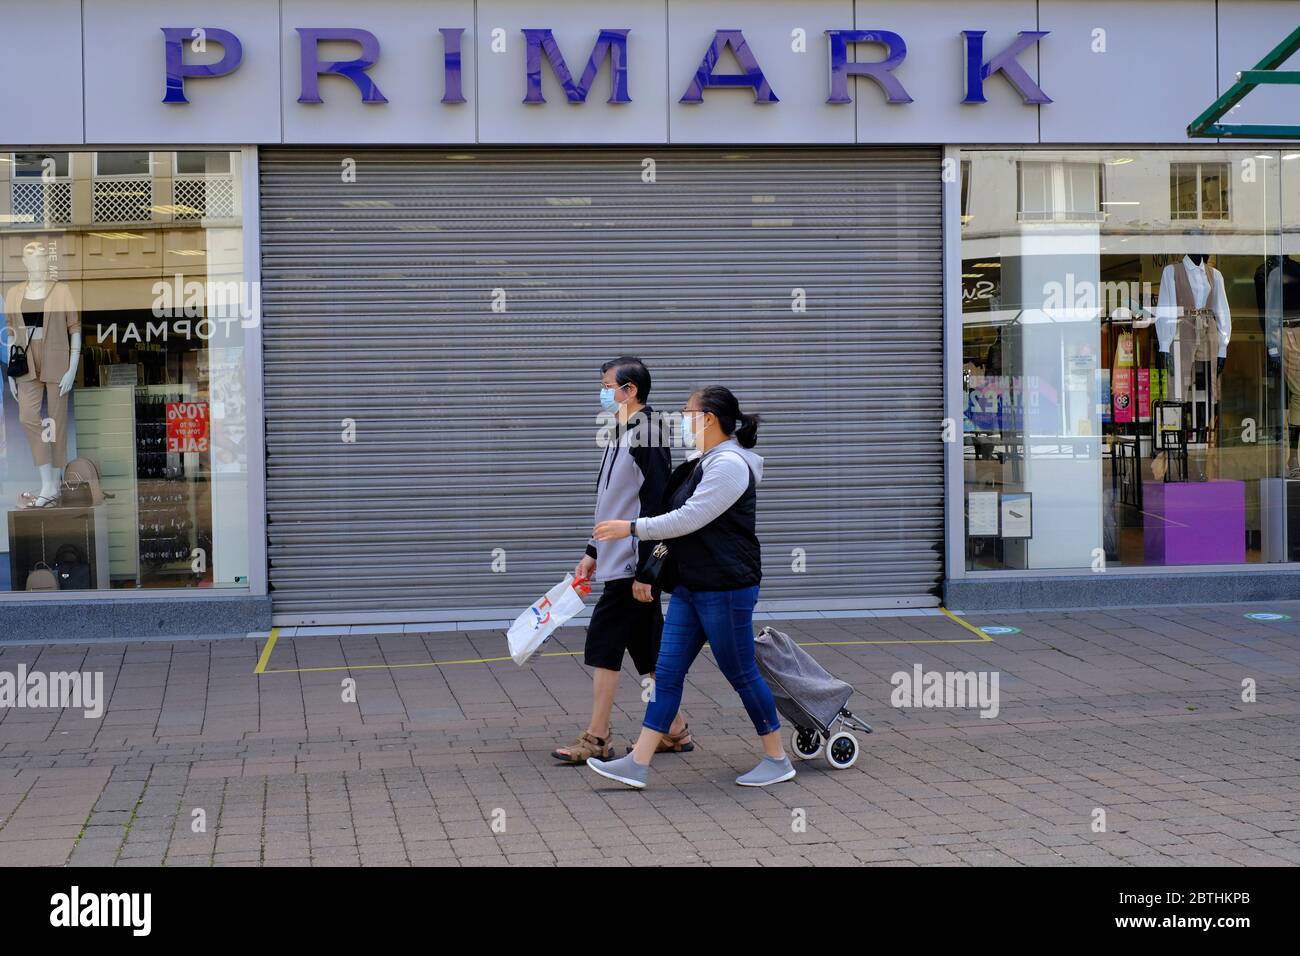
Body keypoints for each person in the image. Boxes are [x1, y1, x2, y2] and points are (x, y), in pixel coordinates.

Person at [586, 385, 793, 789]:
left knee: (740, 671)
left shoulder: (730, 464)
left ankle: (777, 758)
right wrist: (650, 569)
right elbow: (677, 530)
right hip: (691, 586)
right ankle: (638, 762)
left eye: (687, 412)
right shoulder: (703, 460)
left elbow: (687, 519)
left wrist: (629, 528)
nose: (681, 420)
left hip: (726, 587)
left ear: (709, 418)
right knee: (667, 672)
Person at [551, 357, 691, 764]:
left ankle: (597, 737)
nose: (603, 392)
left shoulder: (648, 434)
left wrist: (648, 571)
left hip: (632, 567)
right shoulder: (621, 432)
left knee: (604, 644)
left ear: (630, 390)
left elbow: (657, 508)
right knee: (648, 650)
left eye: (608, 385)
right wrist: (593, 551)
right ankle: (674, 730)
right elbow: (611, 501)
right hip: (617, 560)